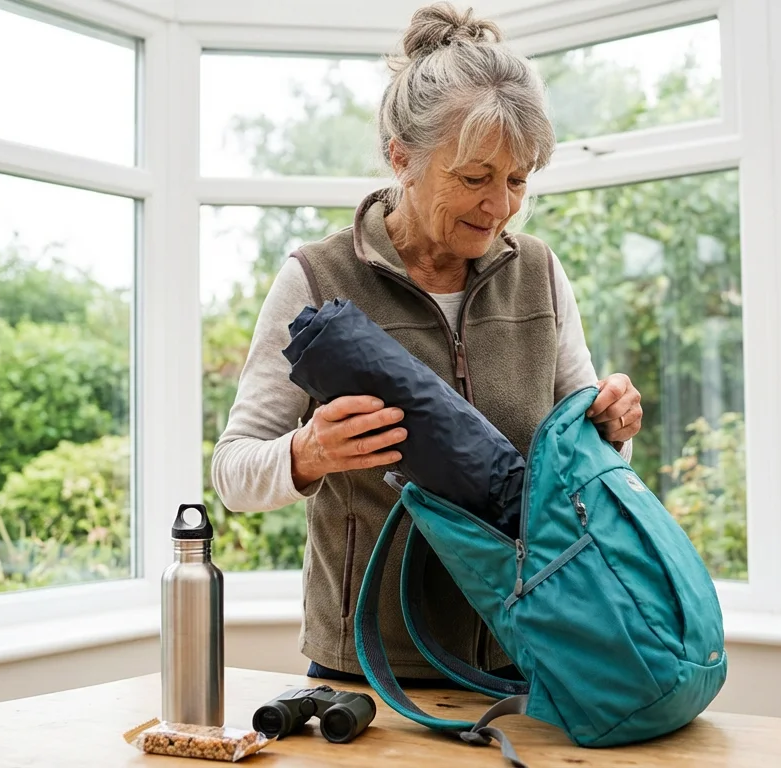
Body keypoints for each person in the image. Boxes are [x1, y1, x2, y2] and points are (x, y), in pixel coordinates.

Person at [210, 2, 644, 685]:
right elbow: (232, 472)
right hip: (369, 671)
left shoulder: (540, 273)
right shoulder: (317, 280)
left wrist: (612, 427)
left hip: (525, 650)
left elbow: (578, 456)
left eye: (518, 180)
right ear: (401, 157)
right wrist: (306, 453)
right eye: (474, 178)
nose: (498, 206)